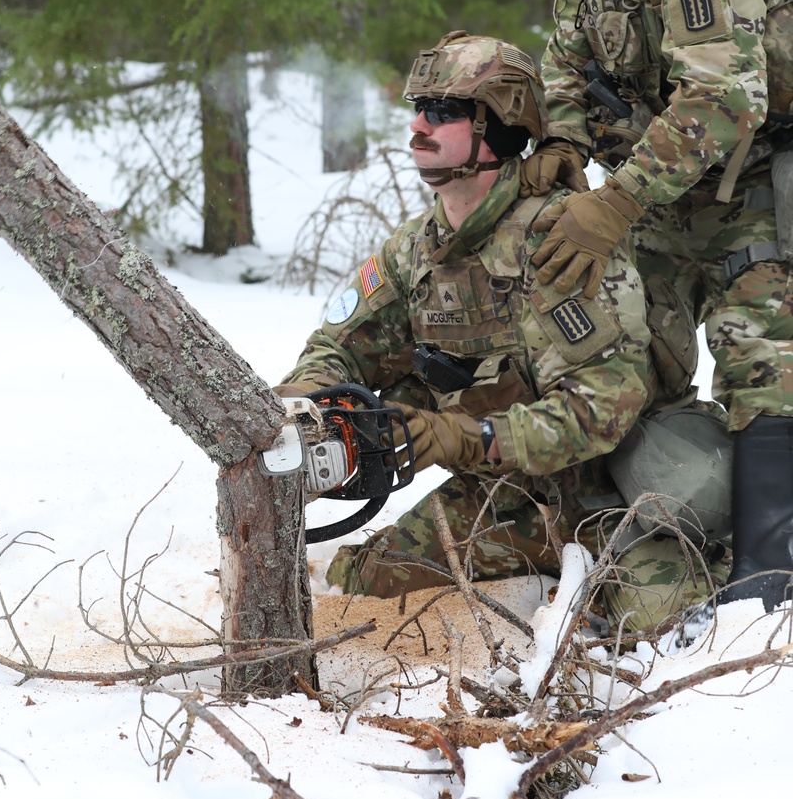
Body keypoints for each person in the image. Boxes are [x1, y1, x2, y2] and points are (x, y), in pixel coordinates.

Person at [277, 31, 726, 634]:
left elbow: (600, 412)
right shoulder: (416, 251)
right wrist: (313, 409)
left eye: (443, 111)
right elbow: (337, 347)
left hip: (612, 500)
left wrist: (462, 438)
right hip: (504, 501)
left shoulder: (562, 242)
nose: (418, 125)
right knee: (361, 585)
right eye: (416, 107)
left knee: (652, 624)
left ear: (500, 127)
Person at [533, 0, 793, 611]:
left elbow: (724, 99)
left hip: (755, 189)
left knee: (766, 366)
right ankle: (661, 536)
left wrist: (612, 202)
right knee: (629, 359)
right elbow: (565, 62)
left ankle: (767, 582)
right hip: (658, 194)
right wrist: (567, 142)